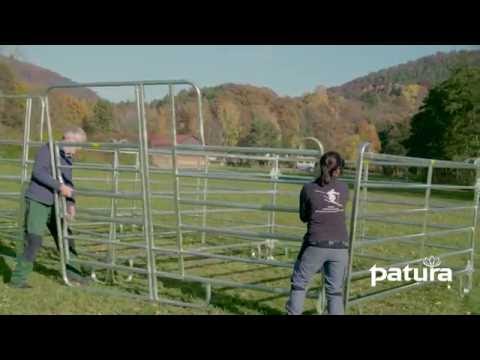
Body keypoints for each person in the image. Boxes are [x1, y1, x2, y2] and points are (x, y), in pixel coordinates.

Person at [9, 126, 88, 288]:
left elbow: (69, 183)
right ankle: (18, 280)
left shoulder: (67, 158)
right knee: (34, 240)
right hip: (39, 200)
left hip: (56, 204)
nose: (78, 150)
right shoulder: (48, 150)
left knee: (66, 238)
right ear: (69, 139)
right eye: (78, 145)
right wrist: (59, 187)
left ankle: (74, 274)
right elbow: (38, 172)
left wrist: (71, 203)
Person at [286, 151, 349, 315]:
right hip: (340, 246)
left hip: (316, 244)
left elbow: (303, 217)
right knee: (335, 292)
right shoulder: (344, 188)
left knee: (299, 283)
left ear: (320, 167)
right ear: (339, 170)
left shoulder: (308, 188)